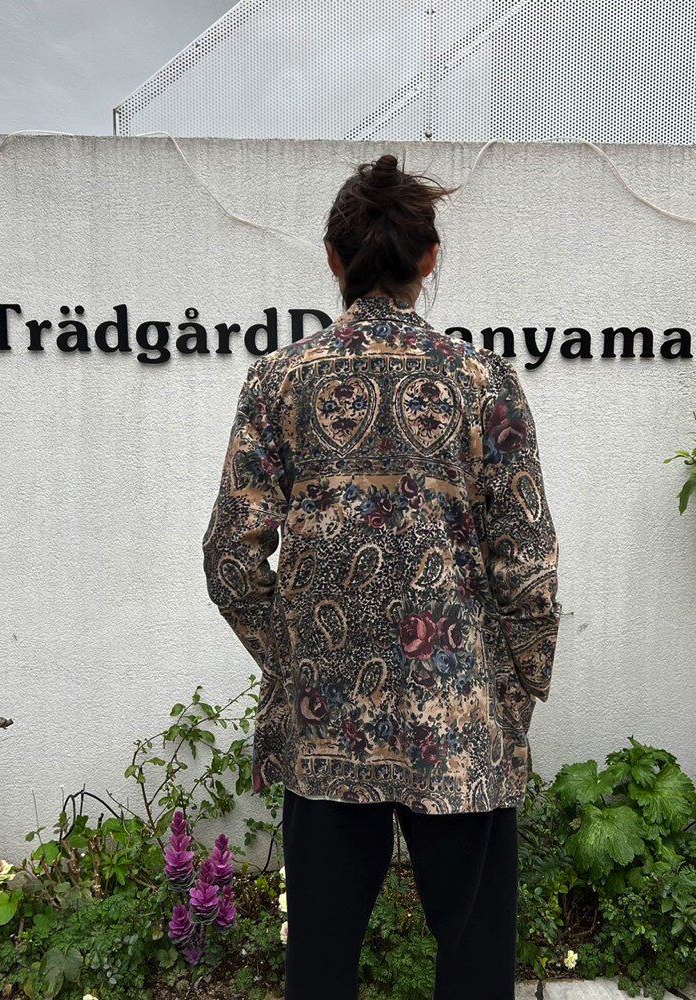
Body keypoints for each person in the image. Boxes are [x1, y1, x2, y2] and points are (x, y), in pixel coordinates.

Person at [202, 153, 561, 1000]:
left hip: (324, 723)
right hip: (460, 722)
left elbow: (231, 558)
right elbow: (528, 562)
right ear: (429, 258)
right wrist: (517, 689)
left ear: (333, 258)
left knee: (321, 965)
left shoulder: (279, 381)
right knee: (475, 964)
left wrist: (294, 662)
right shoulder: (485, 381)